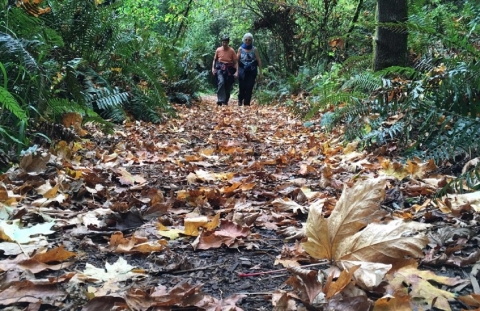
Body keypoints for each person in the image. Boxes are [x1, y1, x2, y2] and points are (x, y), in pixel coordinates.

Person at [237, 33, 263, 106]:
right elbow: (236, 60)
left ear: (252, 41)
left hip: (252, 70)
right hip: (242, 70)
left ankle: (247, 103)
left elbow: (258, 60)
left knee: (250, 86)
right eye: (246, 40)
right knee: (242, 86)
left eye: (249, 40)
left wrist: (261, 73)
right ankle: (240, 99)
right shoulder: (240, 49)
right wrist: (236, 71)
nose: (247, 41)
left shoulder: (254, 49)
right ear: (243, 40)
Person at [212, 35, 238, 106]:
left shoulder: (232, 51)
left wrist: (236, 72)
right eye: (223, 42)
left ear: (228, 42)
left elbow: (236, 62)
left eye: (226, 42)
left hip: (229, 69)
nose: (224, 44)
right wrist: (213, 68)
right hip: (220, 68)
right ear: (222, 42)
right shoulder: (218, 50)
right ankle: (220, 99)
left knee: (228, 85)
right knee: (221, 82)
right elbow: (215, 60)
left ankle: (225, 100)